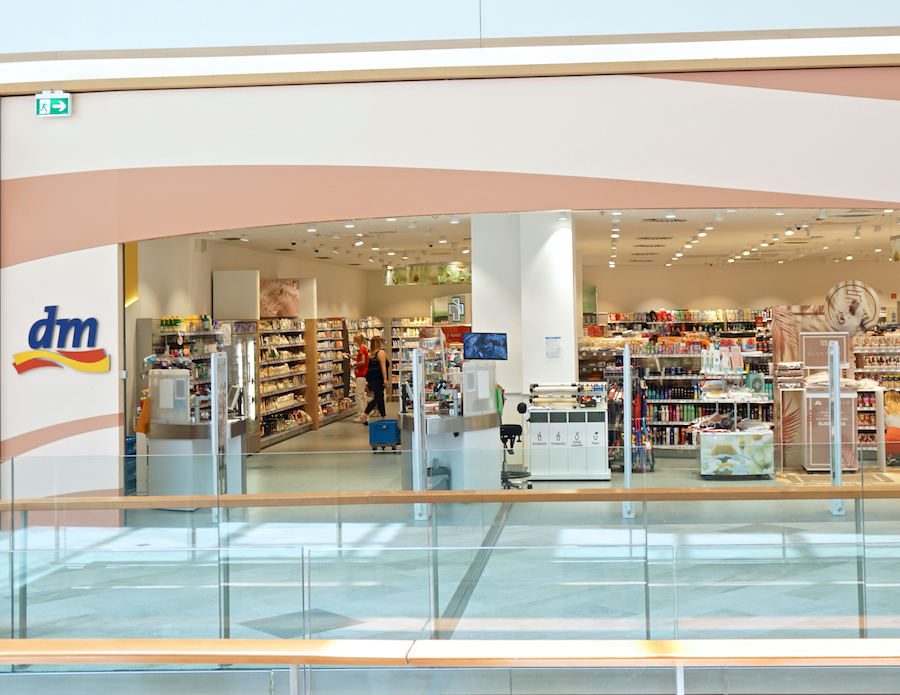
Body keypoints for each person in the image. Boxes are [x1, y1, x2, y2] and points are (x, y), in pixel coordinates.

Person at [360, 335, 388, 424]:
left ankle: (384, 417)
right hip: (379, 378)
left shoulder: (370, 354)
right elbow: (383, 366)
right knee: (378, 397)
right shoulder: (381, 352)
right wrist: (385, 379)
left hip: (372, 378)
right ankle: (365, 414)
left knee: (380, 397)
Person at [349, 333, 369, 423]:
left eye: (355, 341)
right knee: (362, 396)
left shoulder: (361, 349)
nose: (354, 343)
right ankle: (365, 415)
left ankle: (361, 415)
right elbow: (360, 359)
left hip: (361, 375)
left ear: (359, 340)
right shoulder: (364, 348)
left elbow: (363, 362)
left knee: (358, 396)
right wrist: (350, 356)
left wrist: (353, 364)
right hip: (363, 375)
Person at [884, 390, 900, 466]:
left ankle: (890, 456)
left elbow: (880, 425)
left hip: (890, 440)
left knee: (880, 436)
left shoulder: (884, 409)